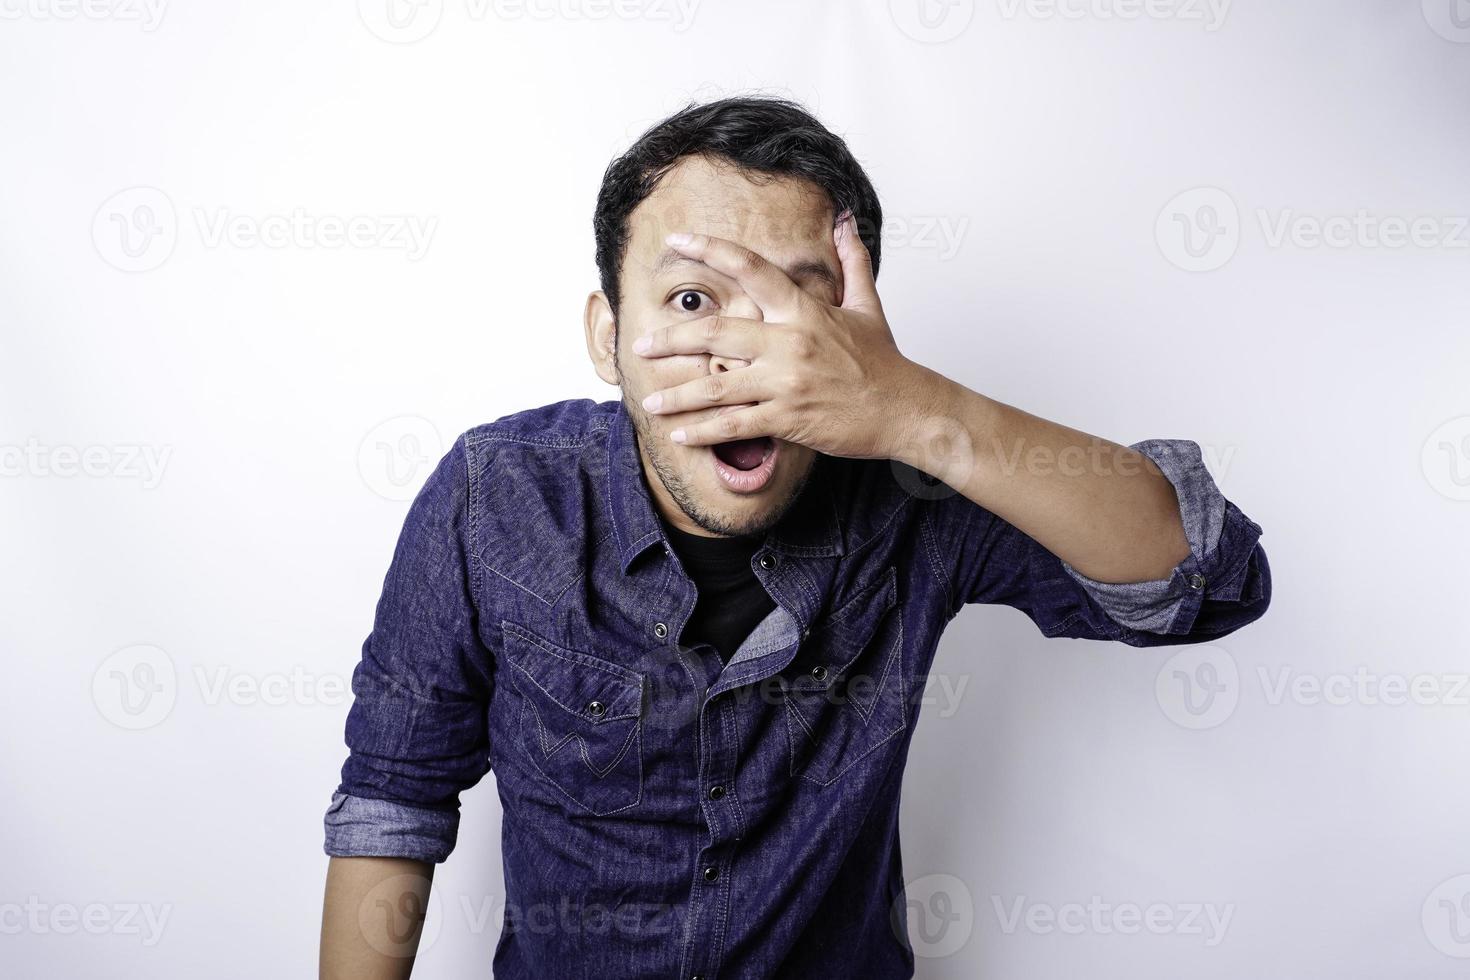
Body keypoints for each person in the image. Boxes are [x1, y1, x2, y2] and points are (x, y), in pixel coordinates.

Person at [319, 96, 1271, 979]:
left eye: (803, 305)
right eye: (692, 300)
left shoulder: (912, 485)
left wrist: (913, 408)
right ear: (608, 336)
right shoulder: (496, 495)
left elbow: (1201, 581)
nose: (747, 355)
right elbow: (393, 798)